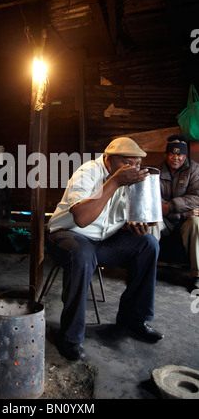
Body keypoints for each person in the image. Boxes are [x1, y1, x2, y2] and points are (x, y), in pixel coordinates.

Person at [46, 137, 164, 361]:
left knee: (148, 245)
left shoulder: (133, 181)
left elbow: (129, 218)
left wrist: (134, 226)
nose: (133, 169)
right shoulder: (88, 172)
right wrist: (114, 182)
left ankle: (134, 319)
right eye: (127, 163)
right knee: (81, 255)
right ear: (108, 160)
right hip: (68, 236)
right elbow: (81, 218)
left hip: (104, 242)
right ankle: (69, 337)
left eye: (137, 164)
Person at [150, 134, 199, 292]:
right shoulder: (156, 171)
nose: (175, 157)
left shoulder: (195, 170)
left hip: (185, 220)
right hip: (166, 219)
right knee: (151, 224)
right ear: (166, 155)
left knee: (197, 223)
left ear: (185, 156)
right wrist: (181, 212)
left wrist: (170, 207)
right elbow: (155, 202)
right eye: (172, 153)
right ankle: (145, 272)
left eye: (179, 154)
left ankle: (197, 275)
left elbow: (196, 197)